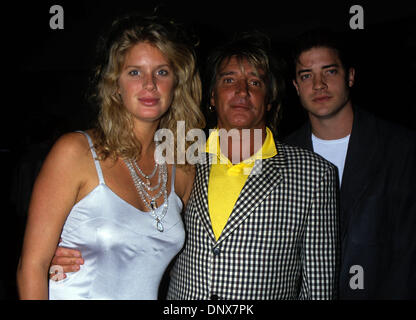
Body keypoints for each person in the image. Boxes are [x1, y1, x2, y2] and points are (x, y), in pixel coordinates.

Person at [48, 32, 339, 300]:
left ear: (269, 99)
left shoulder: (314, 175)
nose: (241, 91)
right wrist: (71, 251)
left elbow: (319, 289)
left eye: (255, 82)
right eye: (228, 80)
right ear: (211, 97)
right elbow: (137, 230)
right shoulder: (180, 159)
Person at [16, 14, 205, 300]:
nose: (150, 84)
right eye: (134, 72)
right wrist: (50, 265)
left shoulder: (182, 168)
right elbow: (31, 266)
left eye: (162, 72)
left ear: (176, 84)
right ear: (115, 85)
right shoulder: (75, 152)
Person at [284, 29, 416, 299]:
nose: (318, 85)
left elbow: (409, 250)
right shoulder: (282, 155)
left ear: (350, 76)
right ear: (296, 86)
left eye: (330, 72)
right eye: (307, 75)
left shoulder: (400, 148)